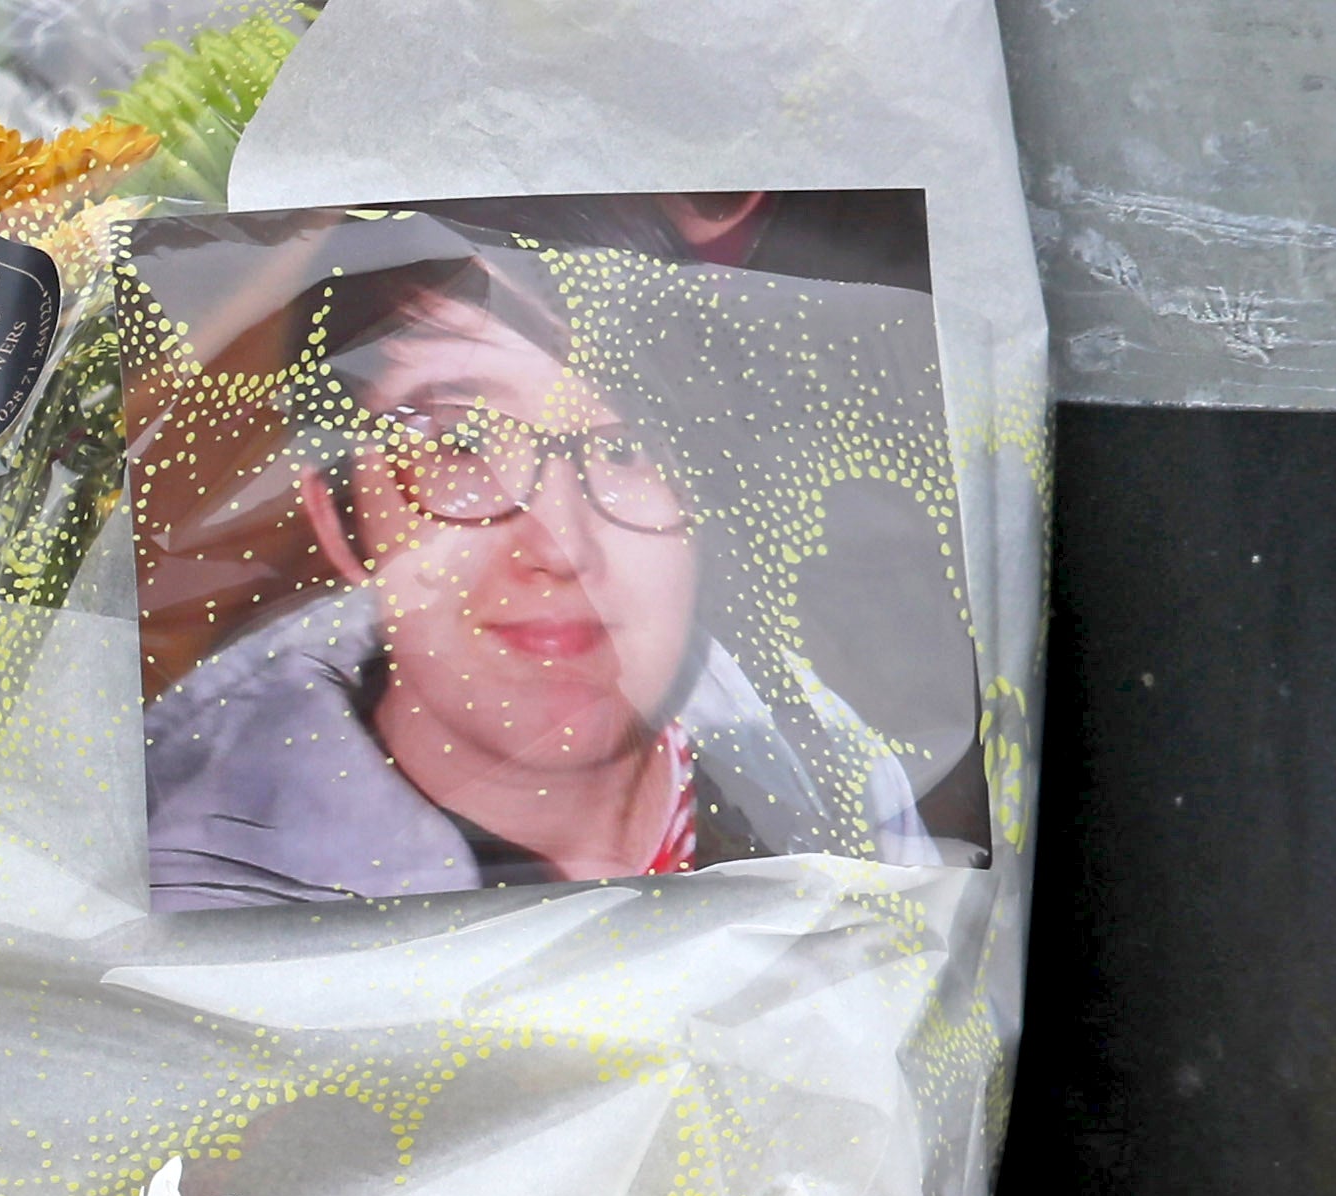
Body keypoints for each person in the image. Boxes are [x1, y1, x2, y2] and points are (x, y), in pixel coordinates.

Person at [140, 239, 917, 909]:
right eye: (458, 445)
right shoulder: (218, 916)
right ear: (339, 524)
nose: (557, 547)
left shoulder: (836, 768)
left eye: (627, 445)